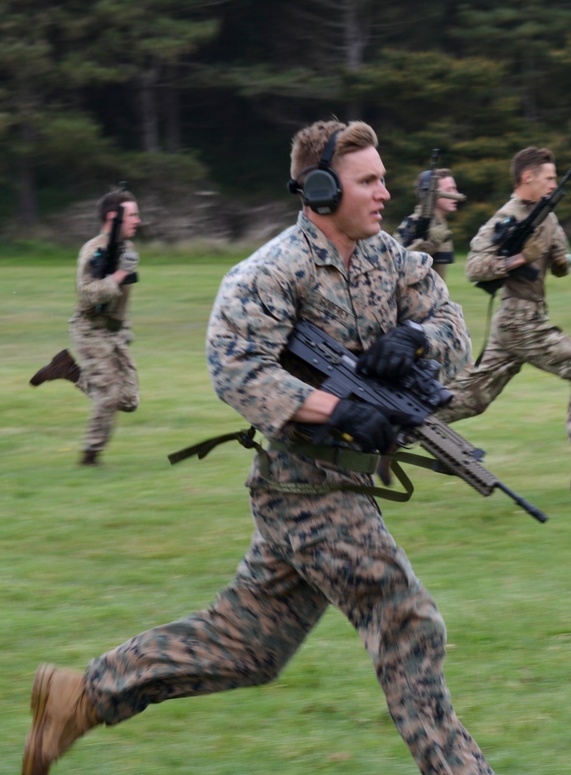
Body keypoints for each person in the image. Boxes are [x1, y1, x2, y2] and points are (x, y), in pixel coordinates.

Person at [21, 119, 495, 775]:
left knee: (247, 647)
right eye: (370, 181)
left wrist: (414, 336)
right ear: (323, 190)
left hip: (347, 485)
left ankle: (81, 696)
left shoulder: (391, 257)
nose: (385, 192)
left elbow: (452, 334)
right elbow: (236, 367)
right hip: (303, 487)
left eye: (384, 178)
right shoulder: (271, 272)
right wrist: (342, 411)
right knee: (407, 619)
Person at [436, 147, 571, 493]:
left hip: (521, 319)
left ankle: (401, 429)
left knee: (475, 399)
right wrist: (518, 259)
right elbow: (473, 268)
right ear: (528, 178)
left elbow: (561, 264)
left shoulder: (548, 216)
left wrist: (561, 261)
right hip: (519, 320)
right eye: (550, 177)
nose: (554, 184)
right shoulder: (504, 218)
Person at [28, 189, 142, 466]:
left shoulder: (126, 249)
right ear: (113, 217)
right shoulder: (93, 251)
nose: (138, 221)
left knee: (128, 400)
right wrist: (119, 274)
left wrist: (123, 327)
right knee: (107, 396)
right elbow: (88, 294)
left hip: (113, 332)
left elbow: (120, 298)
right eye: (133, 215)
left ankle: (66, 369)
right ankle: (90, 456)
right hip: (89, 329)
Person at [394, 167, 465, 280]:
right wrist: (429, 244)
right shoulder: (413, 225)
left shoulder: (440, 226)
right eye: (449, 190)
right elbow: (395, 267)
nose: (455, 194)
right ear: (431, 194)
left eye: (455, 189)